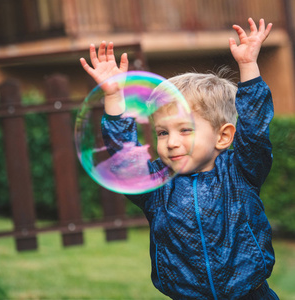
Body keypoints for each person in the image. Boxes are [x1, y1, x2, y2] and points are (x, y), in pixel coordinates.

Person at [80, 18, 279, 299]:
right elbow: (124, 157)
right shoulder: (156, 184)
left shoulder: (242, 171)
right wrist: (113, 94)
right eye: (162, 132)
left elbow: (255, 130)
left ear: (223, 137)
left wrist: (248, 67)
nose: (171, 142)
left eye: (185, 130)